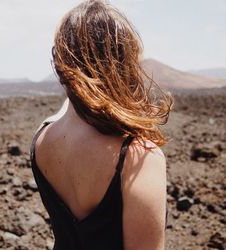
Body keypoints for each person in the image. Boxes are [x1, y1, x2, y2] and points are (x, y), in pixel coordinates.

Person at [30, 0, 174, 249]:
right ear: (125, 61)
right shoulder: (140, 157)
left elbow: (68, 105)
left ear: (62, 64)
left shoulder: (42, 139)